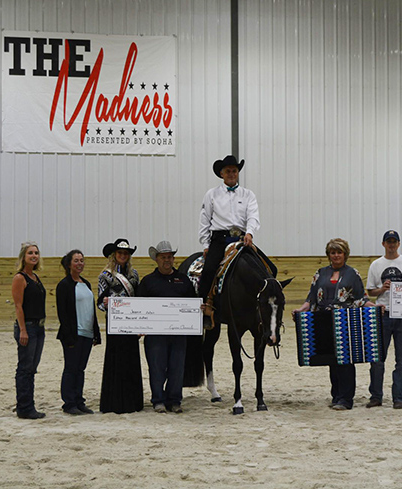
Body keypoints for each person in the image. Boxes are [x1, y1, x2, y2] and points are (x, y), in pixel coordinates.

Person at [293, 238, 374, 410]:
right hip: (324, 320)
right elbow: (311, 299)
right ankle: (336, 395)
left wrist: (375, 307)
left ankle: (346, 399)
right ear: (328, 254)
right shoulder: (320, 273)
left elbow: (361, 299)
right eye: (333, 252)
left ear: (345, 254)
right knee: (332, 359)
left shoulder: (353, 274)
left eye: (339, 252)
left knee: (346, 360)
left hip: (346, 321)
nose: (336, 255)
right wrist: (301, 310)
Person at [198, 155, 276, 327]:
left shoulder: (248, 195)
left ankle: (265, 307)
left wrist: (249, 232)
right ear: (221, 173)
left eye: (234, 171)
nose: (232, 174)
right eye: (228, 171)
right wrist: (205, 244)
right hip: (220, 239)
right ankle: (205, 308)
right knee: (209, 270)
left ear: (238, 173)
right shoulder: (211, 195)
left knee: (272, 269)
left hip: (242, 239)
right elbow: (205, 220)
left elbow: (253, 216)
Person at [366, 230, 402, 409]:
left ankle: (398, 397)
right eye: (388, 241)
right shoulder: (376, 265)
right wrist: (382, 289)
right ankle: (376, 396)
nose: (391, 244)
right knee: (377, 358)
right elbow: (370, 292)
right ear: (383, 244)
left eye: (394, 241)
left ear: (399, 243)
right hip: (382, 315)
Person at [138, 240, 196, 413]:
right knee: (156, 367)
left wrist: (198, 309)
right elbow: (139, 306)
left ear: (173, 258)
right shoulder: (147, 282)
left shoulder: (183, 280)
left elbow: (193, 302)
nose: (167, 260)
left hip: (178, 333)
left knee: (177, 368)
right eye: (163, 257)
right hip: (155, 334)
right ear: (156, 259)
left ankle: (174, 400)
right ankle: (158, 400)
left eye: (170, 257)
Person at [97, 238, 144, 414]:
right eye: (120, 253)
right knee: (116, 360)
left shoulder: (134, 275)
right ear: (114, 255)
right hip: (115, 325)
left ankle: (133, 401)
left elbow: (138, 301)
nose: (123, 256)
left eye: (126, 253)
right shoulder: (105, 275)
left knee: (131, 359)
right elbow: (99, 303)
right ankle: (115, 402)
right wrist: (107, 303)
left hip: (131, 323)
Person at [56, 249, 101, 415]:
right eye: (76, 261)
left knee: (80, 369)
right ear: (69, 264)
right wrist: (68, 336)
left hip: (87, 333)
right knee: (71, 368)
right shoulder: (64, 285)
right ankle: (69, 403)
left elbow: (91, 309)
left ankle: (79, 400)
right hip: (73, 334)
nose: (80, 263)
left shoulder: (86, 284)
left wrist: (96, 332)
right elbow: (63, 313)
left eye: (81, 260)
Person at [11, 241, 47, 419]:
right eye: (30, 253)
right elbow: (19, 306)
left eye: (36, 253)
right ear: (23, 257)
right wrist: (23, 330)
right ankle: (24, 407)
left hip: (39, 328)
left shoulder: (35, 277)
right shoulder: (20, 278)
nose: (34, 256)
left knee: (32, 368)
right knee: (25, 368)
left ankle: (27, 404)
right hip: (29, 328)